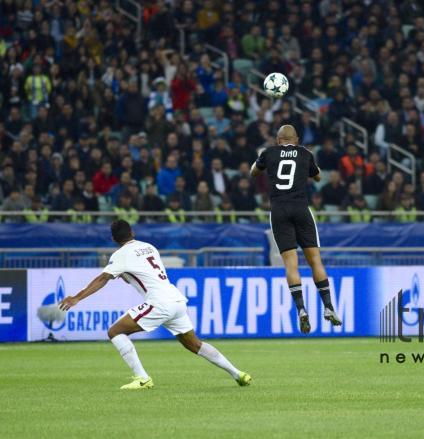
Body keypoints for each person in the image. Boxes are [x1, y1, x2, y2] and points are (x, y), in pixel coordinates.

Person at [58, 220, 251, 390]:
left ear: (114, 239)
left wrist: (76, 298)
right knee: (194, 344)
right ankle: (238, 373)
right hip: (176, 300)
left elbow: (102, 279)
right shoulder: (149, 247)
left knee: (115, 332)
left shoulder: (120, 255)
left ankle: (142, 378)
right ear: (132, 232)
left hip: (159, 303)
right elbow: (138, 274)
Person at [250, 125, 342, 333]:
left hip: (279, 210)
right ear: (297, 139)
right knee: (315, 260)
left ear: (278, 140)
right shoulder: (305, 153)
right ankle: (328, 306)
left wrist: (265, 161)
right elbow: (318, 177)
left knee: (291, 264)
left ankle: (301, 309)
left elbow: (253, 172)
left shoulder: (268, 153)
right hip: (301, 208)